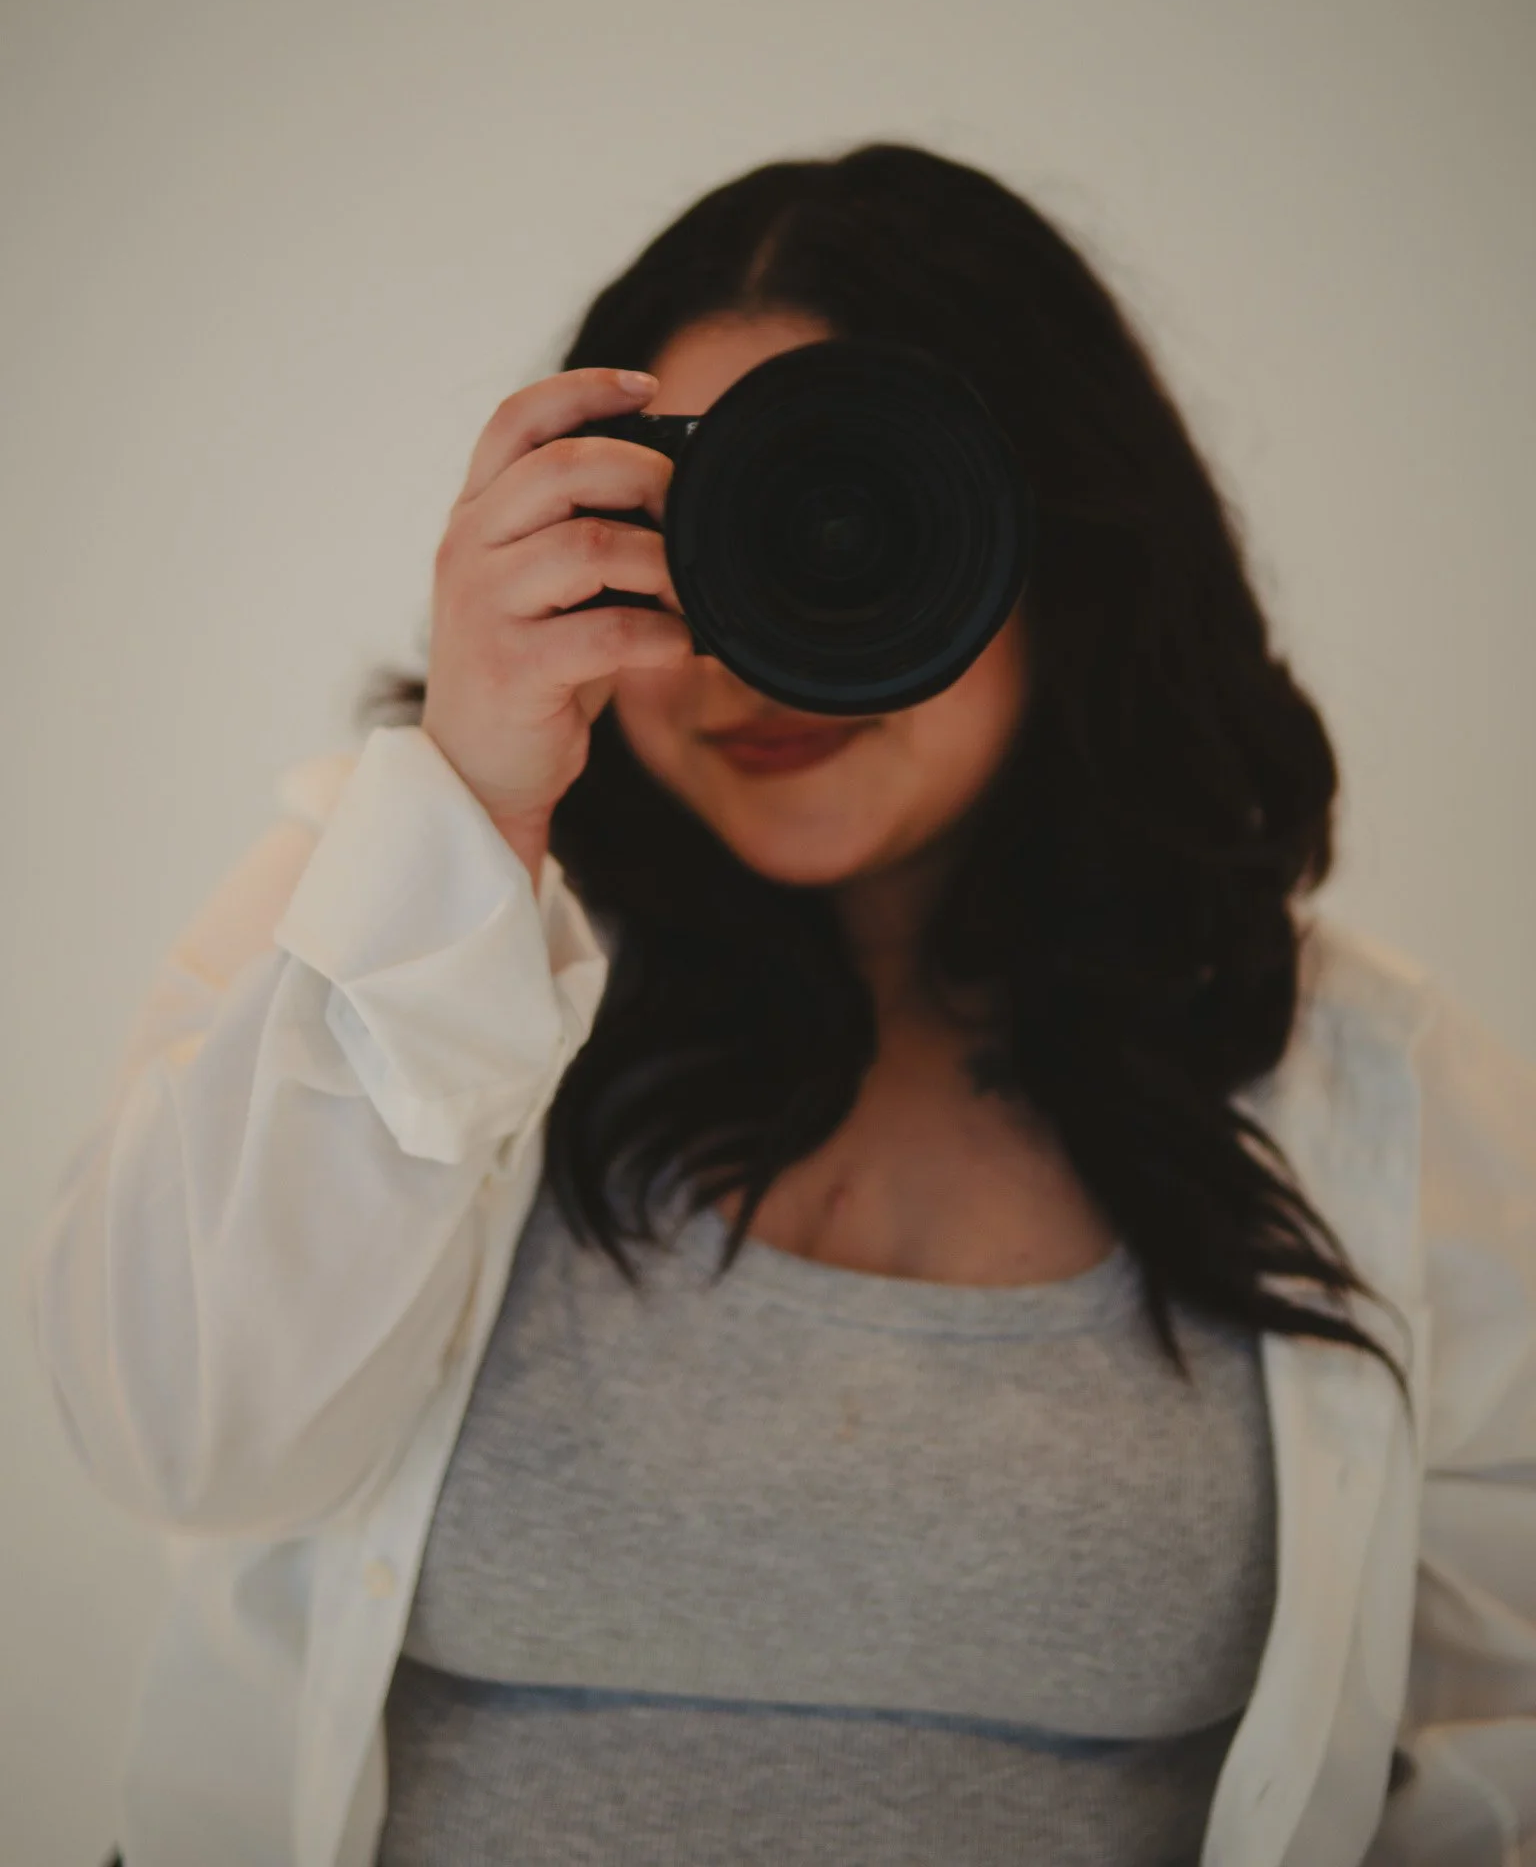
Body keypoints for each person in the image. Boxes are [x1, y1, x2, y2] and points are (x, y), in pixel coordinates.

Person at [28, 142, 1536, 1867]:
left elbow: (1488, 1747)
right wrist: (467, 816)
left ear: (1061, 547)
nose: (752, 646)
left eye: (861, 513)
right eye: (697, 528)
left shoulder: (1365, 1084)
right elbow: (183, 1444)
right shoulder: (397, 920)